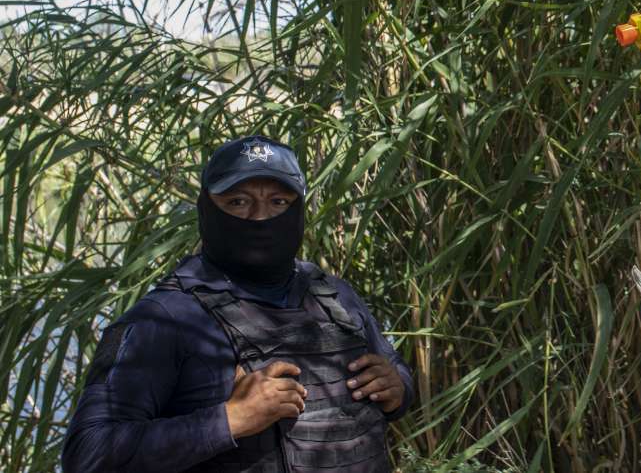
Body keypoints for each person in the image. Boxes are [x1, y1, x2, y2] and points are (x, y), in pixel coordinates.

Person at [63, 135, 414, 473]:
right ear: (205, 209)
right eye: (238, 202)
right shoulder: (164, 318)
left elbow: (395, 370)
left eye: (278, 202)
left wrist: (398, 388)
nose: (260, 217)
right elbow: (88, 454)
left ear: (299, 212)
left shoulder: (335, 297)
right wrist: (230, 419)